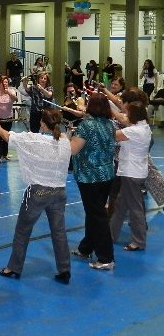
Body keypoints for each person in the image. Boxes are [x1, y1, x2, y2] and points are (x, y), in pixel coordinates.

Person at [0, 109, 72, 284]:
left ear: (43, 124)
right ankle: (64, 269)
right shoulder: (65, 141)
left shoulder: (33, 139)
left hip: (37, 192)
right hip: (59, 192)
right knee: (59, 232)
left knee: (22, 230)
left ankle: (13, 267)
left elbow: (8, 137)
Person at [70, 93, 116, 270]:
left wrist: (68, 138)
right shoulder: (109, 125)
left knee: (97, 215)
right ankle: (86, 248)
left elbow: (74, 150)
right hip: (106, 175)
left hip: (89, 177)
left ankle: (106, 258)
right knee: (93, 212)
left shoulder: (86, 126)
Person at [109, 101, 151, 252]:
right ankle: (111, 235)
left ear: (134, 115)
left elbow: (112, 136)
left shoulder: (134, 131)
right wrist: (112, 110)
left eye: (128, 113)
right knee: (121, 206)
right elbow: (123, 119)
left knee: (135, 208)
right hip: (135, 172)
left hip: (131, 174)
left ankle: (138, 241)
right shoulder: (143, 127)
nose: (126, 115)